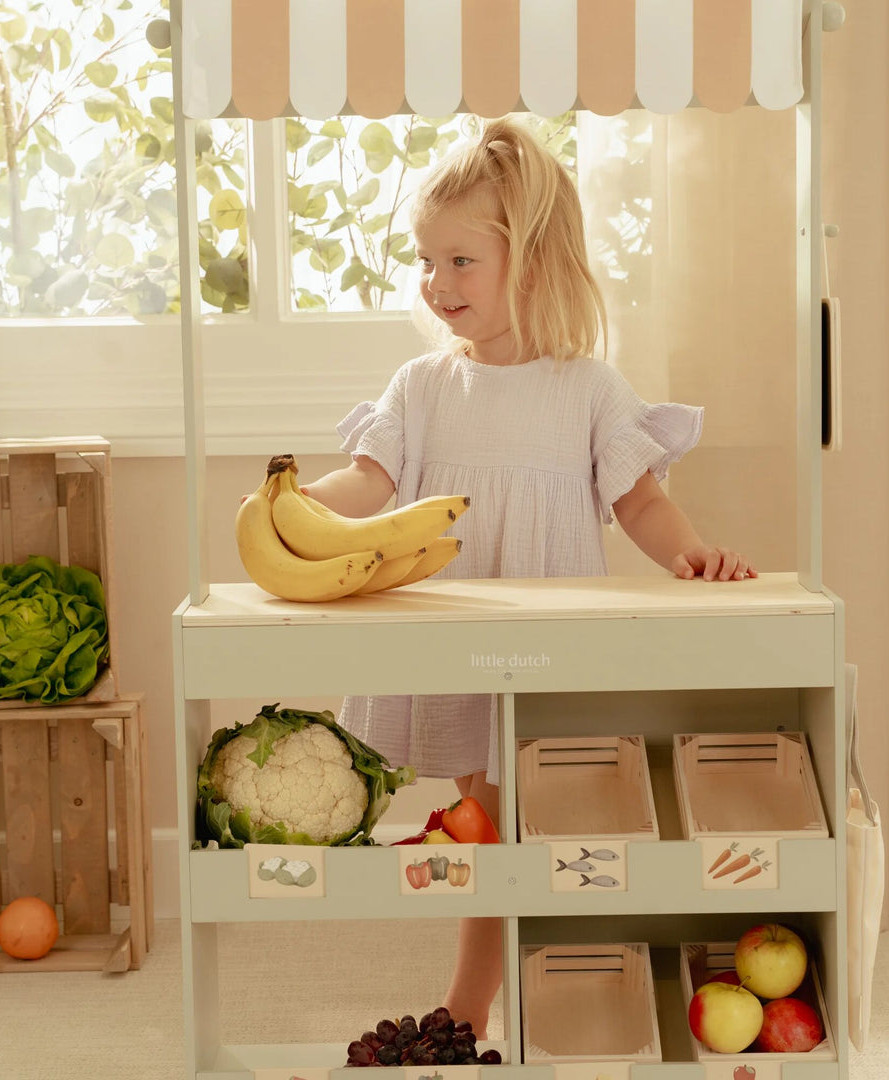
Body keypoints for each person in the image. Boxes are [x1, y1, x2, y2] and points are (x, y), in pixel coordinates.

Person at [280, 117, 754, 1036]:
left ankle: (538, 1001)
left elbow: (642, 505)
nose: (436, 282)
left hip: (547, 657)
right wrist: (296, 505)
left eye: (461, 261)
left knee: (543, 834)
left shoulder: (587, 388)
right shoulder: (421, 386)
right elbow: (370, 482)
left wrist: (695, 555)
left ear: (531, 263)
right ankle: (480, 1007)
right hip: (460, 645)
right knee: (491, 829)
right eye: (426, 260)